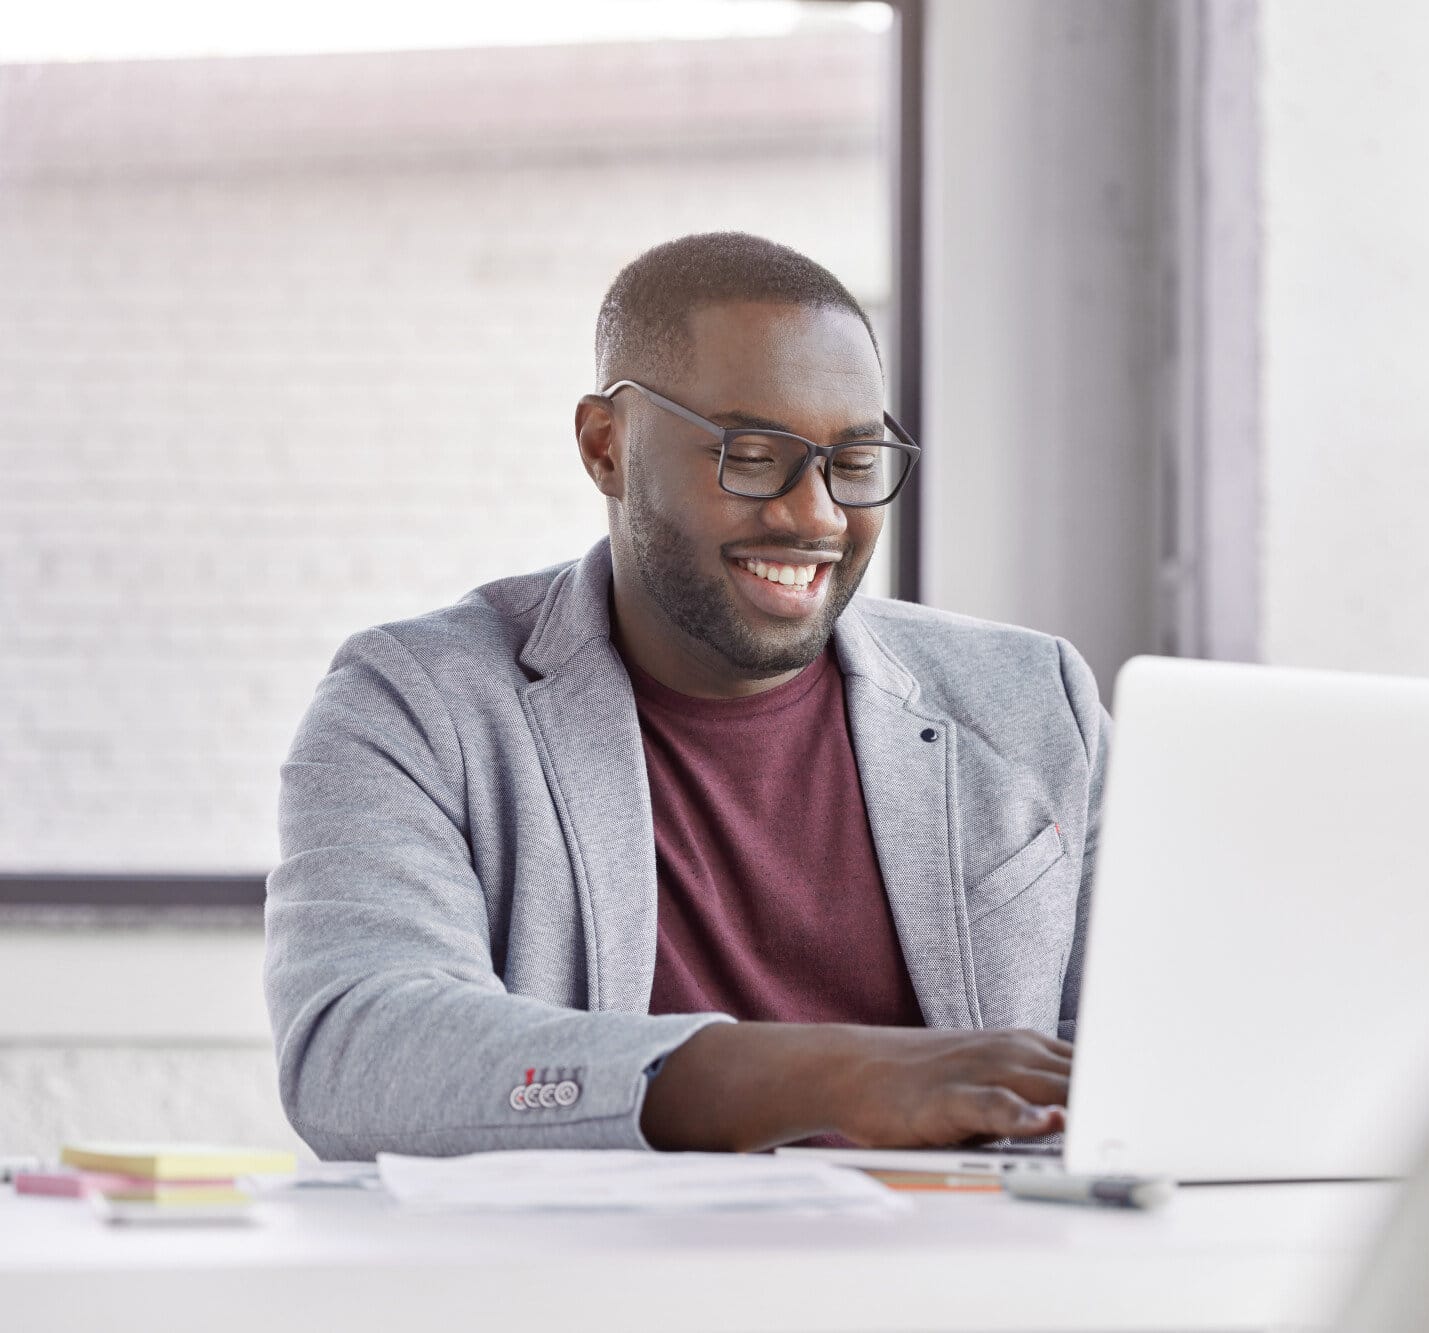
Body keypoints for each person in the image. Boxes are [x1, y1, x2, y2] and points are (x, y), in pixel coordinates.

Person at [264, 232, 1108, 1159]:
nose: (817, 514)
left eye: (855, 462)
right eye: (752, 454)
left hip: (971, 1285)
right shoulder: (417, 705)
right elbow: (359, 1050)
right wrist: (832, 1077)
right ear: (605, 446)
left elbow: (1157, 1047)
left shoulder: (1035, 699)